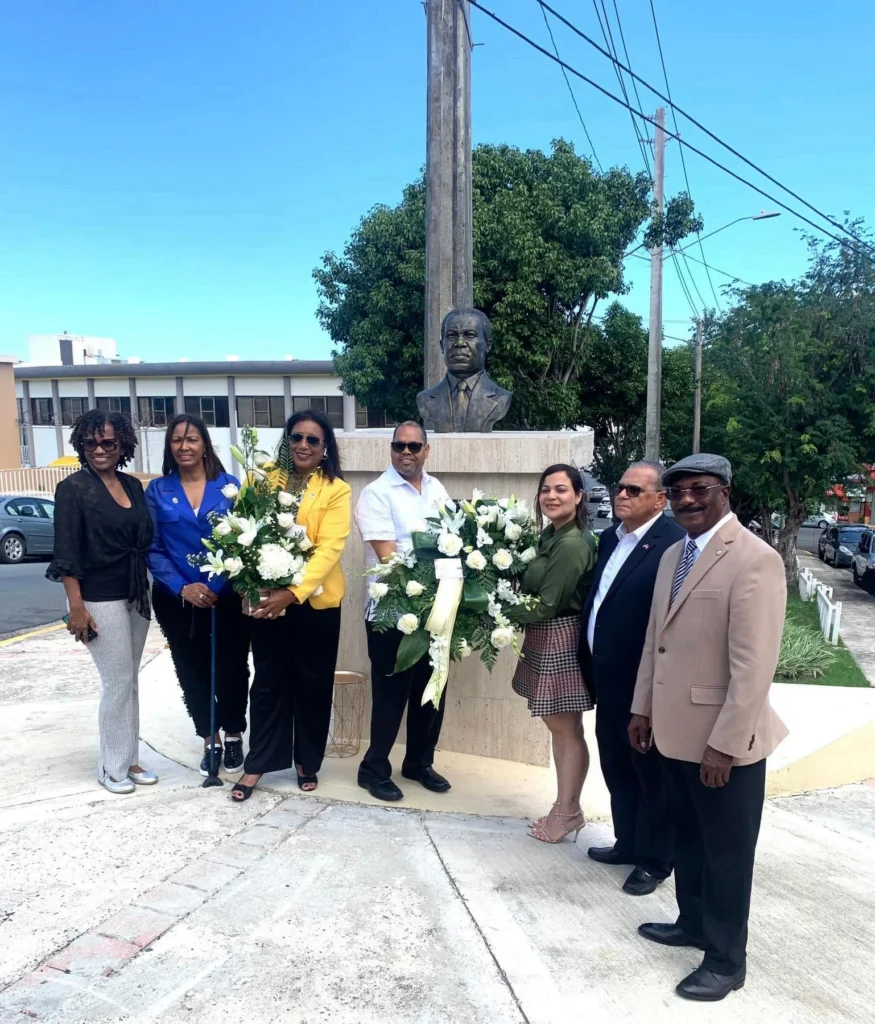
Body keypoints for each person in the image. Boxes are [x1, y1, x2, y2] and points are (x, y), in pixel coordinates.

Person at [629, 453, 787, 1002]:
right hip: (673, 733)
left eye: (699, 490)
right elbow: (658, 640)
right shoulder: (675, 552)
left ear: (724, 491)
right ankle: (692, 924)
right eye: (677, 493)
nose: (687, 500)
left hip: (724, 743)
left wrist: (725, 745)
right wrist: (642, 708)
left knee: (726, 855)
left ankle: (724, 960)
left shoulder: (754, 559)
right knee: (689, 840)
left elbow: (754, 667)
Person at [231, 409, 351, 802]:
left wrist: (294, 592)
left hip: (315, 603)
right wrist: (255, 582)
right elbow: (242, 532)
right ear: (287, 441)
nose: (303, 445)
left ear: (325, 448)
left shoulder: (336, 489)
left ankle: (306, 761)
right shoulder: (261, 479)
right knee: (267, 682)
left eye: (312, 440)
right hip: (268, 601)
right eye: (296, 437)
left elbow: (329, 548)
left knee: (312, 684)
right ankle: (258, 763)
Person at [579, 462, 684, 896]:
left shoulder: (673, 544)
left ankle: (656, 860)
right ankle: (628, 842)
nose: (621, 495)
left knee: (650, 773)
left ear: (660, 499)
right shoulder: (610, 538)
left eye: (634, 490)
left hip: (644, 684)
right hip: (606, 677)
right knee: (617, 765)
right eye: (619, 488)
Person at [47, 409, 157, 795]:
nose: (99, 449)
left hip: (136, 592)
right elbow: (67, 552)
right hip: (98, 596)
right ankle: (111, 766)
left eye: (108, 442)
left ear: (122, 444)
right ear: (81, 444)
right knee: (117, 682)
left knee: (131, 681)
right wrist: (77, 607)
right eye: (91, 442)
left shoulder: (133, 485)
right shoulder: (73, 489)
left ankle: (129, 758)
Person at [145, 414, 250, 777]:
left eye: (191, 439)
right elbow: (153, 548)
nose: (184, 446)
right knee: (191, 669)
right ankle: (211, 738)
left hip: (227, 596)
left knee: (233, 668)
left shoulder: (229, 486)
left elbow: (243, 542)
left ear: (205, 444)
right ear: (169, 447)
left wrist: (219, 585)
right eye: (177, 440)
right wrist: (182, 588)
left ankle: (234, 732)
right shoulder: (158, 491)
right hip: (178, 600)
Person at [355, 421, 451, 802]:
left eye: (414, 446)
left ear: (426, 450)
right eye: (399, 446)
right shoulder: (376, 494)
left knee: (432, 690)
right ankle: (374, 769)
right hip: (390, 613)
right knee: (391, 695)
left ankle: (418, 763)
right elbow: (389, 557)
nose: (406, 452)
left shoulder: (437, 489)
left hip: (436, 609)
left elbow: (451, 540)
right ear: (391, 449)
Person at [512, 464, 596, 843]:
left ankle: (567, 812)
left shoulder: (573, 542)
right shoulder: (551, 535)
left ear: (578, 496)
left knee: (566, 731)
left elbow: (547, 604)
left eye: (561, 489)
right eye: (545, 489)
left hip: (559, 636)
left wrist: (492, 610)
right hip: (544, 637)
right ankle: (565, 806)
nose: (551, 496)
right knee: (559, 728)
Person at [416, 309, 512, 432]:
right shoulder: (425, 399)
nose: (460, 343)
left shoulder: (501, 397)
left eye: (470, 335)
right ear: (441, 345)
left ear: (487, 345)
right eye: (451, 335)